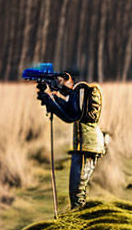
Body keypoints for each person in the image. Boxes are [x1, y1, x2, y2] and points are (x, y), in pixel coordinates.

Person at [36, 74, 106, 209]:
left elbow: (70, 116)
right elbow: (70, 109)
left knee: (77, 192)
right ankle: (78, 219)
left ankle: (79, 223)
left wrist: (50, 101)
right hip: (86, 146)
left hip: (87, 147)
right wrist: (52, 98)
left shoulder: (82, 90)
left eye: (59, 81)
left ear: (69, 79)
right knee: (77, 192)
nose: (57, 85)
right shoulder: (83, 91)